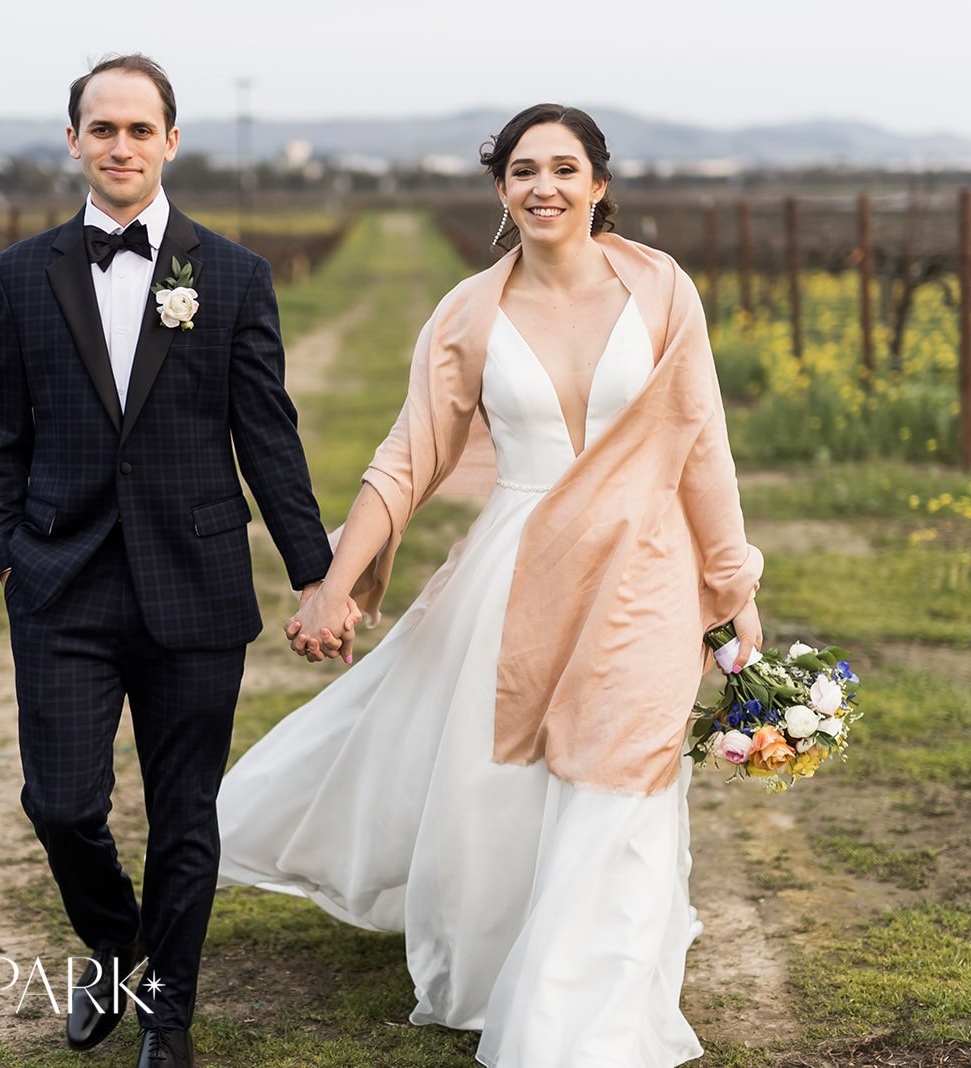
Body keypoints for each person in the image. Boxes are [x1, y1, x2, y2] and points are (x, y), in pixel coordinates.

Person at [215, 103, 764, 1066]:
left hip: (646, 566)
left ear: (600, 184)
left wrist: (732, 582)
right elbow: (409, 457)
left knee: (622, 772)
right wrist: (335, 585)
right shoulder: (469, 310)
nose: (542, 186)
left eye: (563, 168)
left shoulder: (663, 292)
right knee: (502, 785)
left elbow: (702, 444)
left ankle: (578, 1013)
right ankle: (504, 957)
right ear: (500, 189)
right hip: (517, 568)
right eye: (521, 170)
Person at [0, 53, 352, 1068]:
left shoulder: (229, 276)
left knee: (185, 814)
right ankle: (112, 937)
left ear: (171, 141)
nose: (122, 146)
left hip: (194, 585)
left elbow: (266, 436)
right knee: (60, 804)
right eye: (104, 129)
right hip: (58, 581)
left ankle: (169, 1012)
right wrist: (6, 551)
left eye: (141, 130)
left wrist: (316, 571)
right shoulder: (20, 274)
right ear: (74, 142)